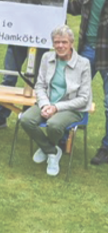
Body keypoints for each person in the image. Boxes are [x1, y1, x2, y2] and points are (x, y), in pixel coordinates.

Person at [20, 25, 92, 177]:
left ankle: (47, 148)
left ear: (71, 43)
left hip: (73, 108)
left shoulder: (83, 63)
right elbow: (40, 85)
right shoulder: (47, 58)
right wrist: (46, 104)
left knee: (54, 124)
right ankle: (52, 151)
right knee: (26, 119)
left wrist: (56, 107)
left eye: (64, 42)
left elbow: (84, 98)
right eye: (57, 42)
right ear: (53, 44)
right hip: (48, 103)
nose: (60, 46)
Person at [68, 0, 108, 165]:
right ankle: (66, 135)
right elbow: (73, 7)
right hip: (88, 51)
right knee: (74, 92)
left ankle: (106, 148)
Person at [0, 45, 48, 129]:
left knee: (36, 82)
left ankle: (28, 118)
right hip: (17, 39)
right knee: (9, 78)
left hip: (40, 41)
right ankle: (0, 118)